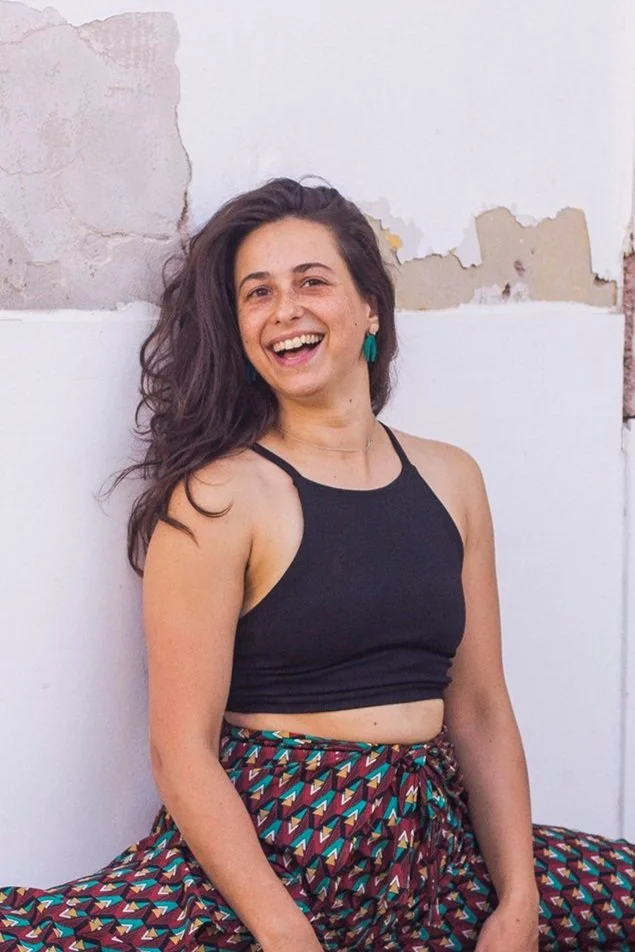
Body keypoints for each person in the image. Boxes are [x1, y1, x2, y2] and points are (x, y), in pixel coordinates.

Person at [1, 178, 633, 952]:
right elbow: (180, 749)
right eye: (257, 293)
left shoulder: (452, 479)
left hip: (431, 854)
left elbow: (478, 709)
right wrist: (284, 934)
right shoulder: (219, 498)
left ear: (369, 308)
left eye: (310, 282)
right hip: (273, 854)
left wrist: (517, 900)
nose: (284, 311)